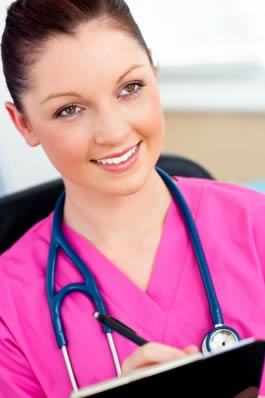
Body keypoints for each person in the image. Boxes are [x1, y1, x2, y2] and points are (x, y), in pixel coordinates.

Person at [0, 1, 265, 397]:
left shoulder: (255, 225)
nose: (113, 131)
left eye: (130, 88)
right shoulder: (8, 306)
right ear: (24, 124)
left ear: (154, 70)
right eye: (69, 109)